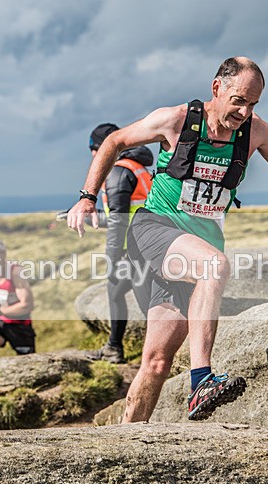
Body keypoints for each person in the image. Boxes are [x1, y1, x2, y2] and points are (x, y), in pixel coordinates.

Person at [67, 57, 268, 423]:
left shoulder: (255, 131)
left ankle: (123, 441)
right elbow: (114, 141)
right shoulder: (176, 119)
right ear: (216, 88)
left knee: (157, 362)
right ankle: (202, 380)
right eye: (238, 100)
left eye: (253, 103)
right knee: (214, 265)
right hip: (154, 230)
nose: (244, 111)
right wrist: (87, 197)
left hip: (193, 246)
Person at [87, 123, 154, 364]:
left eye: (94, 150)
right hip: (144, 243)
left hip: (138, 250)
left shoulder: (117, 172)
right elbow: (122, 213)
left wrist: (113, 259)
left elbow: (119, 220)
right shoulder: (137, 168)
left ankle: (158, 359)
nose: (94, 157)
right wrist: (88, 216)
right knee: (115, 292)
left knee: (149, 306)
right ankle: (114, 348)